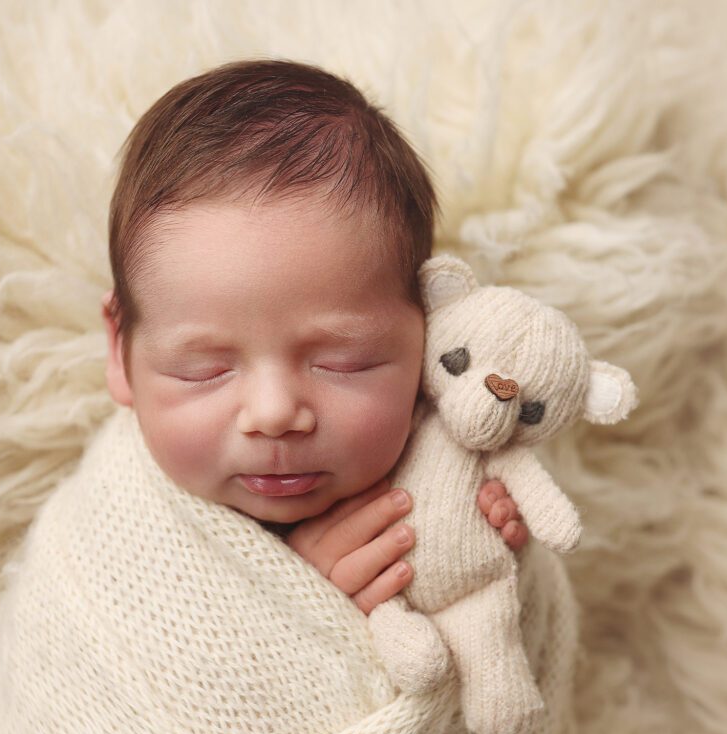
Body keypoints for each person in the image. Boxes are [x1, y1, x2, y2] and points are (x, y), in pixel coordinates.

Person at [100, 57, 528, 618]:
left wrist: (478, 545)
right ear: (120, 350)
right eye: (203, 370)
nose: (274, 414)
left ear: (427, 331)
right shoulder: (110, 529)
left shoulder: (453, 459)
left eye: (342, 363)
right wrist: (297, 600)